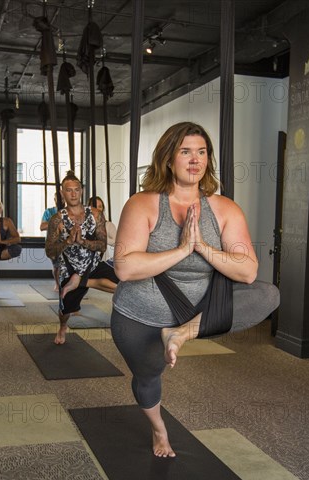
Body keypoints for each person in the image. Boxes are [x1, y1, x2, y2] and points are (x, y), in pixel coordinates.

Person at [112, 121, 280, 458]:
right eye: (185, 151)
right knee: (147, 378)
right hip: (141, 312)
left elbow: (247, 271)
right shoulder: (143, 204)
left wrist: (203, 246)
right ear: (169, 158)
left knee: (267, 294)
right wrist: (181, 249)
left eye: (201, 152)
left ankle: (181, 333)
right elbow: (125, 268)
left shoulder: (223, 209)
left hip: (199, 309)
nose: (195, 159)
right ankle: (159, 430)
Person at [46, 171, 119, 344]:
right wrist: (69, 241)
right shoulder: (57, 220)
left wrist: (83, 241)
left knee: (124, 283)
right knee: (65, 311)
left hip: (92, 265)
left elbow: (102, 245)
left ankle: (81, 281)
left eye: (76, 190)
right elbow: (50, 251)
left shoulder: (95, 215)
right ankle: (63, 327)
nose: (73, 194)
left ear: (81, 191)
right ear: (63, 193)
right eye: (68, 190)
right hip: (69, 268)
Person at [40, 193, 63, 291]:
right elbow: (42, 227)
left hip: (66, 243)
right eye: (58, 198)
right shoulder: (48, 212)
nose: (60, 200)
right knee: (56, 267)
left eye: (62, 198)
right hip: (53, 244)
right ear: (54, 199)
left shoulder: (69, 211)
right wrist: (55, 223)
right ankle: (57, 284)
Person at [88, 196, 117, 263]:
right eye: (94, 206)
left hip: (103, 262)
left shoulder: (108, 225)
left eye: (100, 206)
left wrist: (101, 237)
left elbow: (116, 242)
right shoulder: (84, 225)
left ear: (103, 209)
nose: (97, 209)